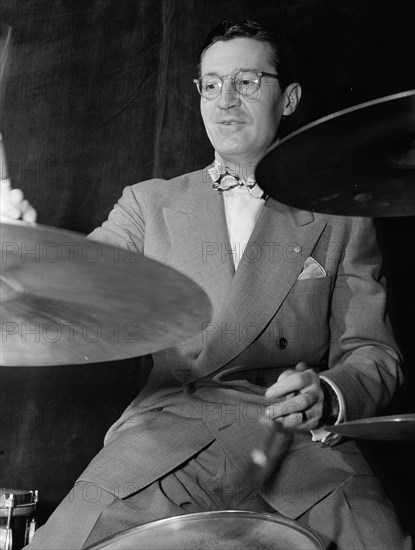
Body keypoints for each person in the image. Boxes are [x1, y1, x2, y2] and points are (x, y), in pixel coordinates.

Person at [8, 18, 409, 549]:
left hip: (299, 437)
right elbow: (76, 287)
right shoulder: (148, 204)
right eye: (212, 85)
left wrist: (329, 396)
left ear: (287, 99)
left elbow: (374, 353)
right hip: (167, 431)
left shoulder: (342, 213)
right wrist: (16, 250)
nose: (226, 100)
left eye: (246, 82)